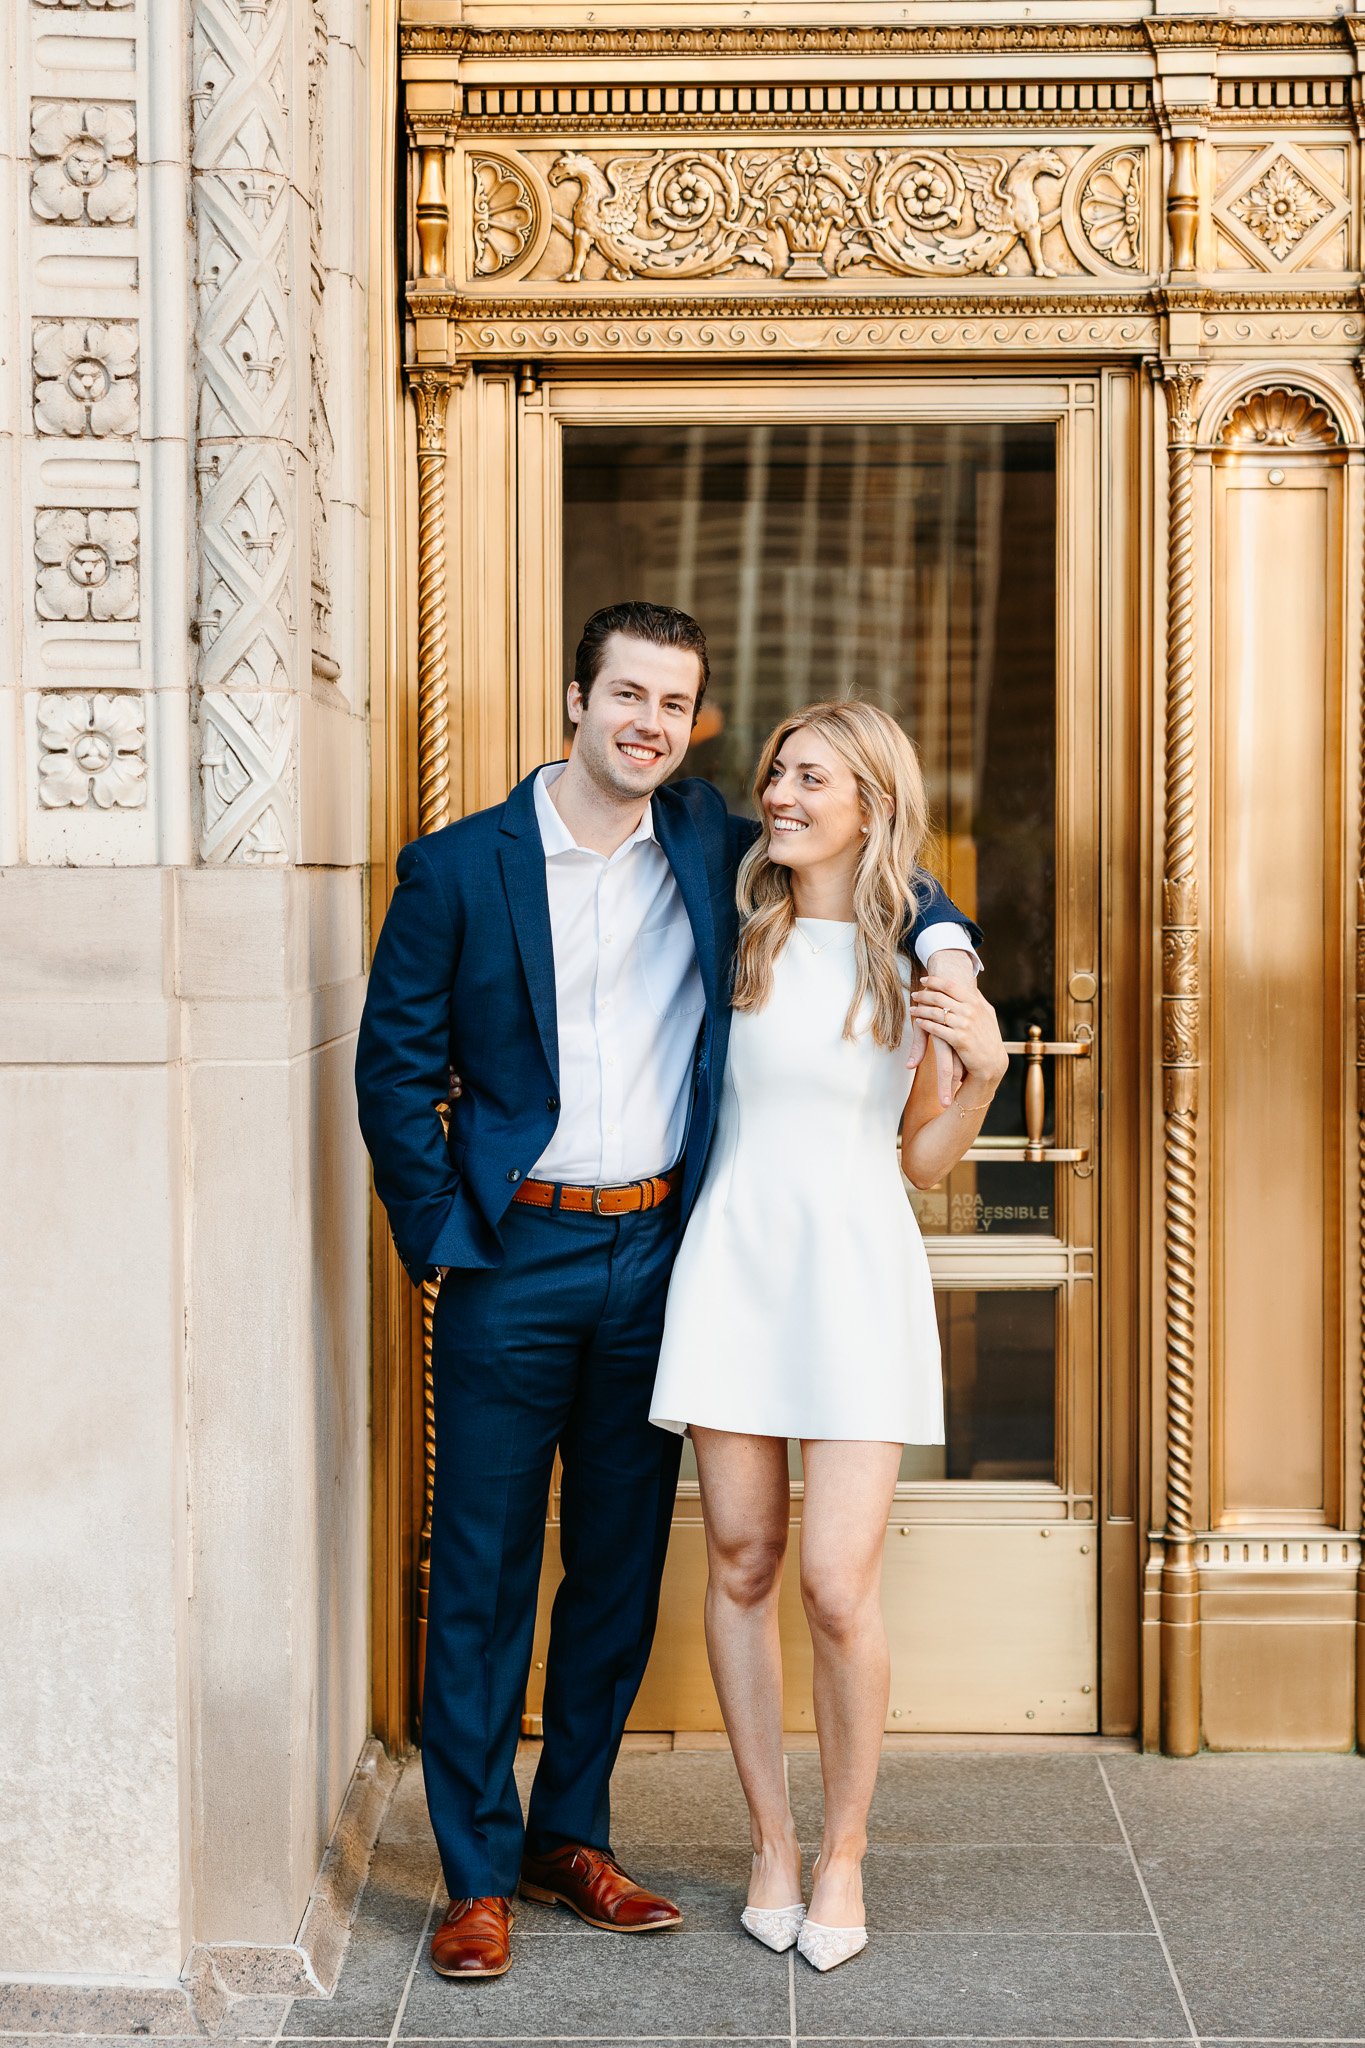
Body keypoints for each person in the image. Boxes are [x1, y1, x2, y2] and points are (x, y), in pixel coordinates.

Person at [354, 604, 980, 1982]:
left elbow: (888, 874)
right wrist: (449, 1235)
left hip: (662, 1254)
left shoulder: (711, 841)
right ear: (577, 697)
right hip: (513, 1256)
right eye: (625, 693)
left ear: (689, 724)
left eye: (674, 703)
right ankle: (473, 1870)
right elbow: (391, 1072)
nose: (648, 721)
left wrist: (950, 959)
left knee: (619, 1571)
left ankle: (569, 1837)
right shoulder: (459, 868)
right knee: (481, 1567)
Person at [649, 699, 1008, 1973]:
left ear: (871, 802)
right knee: (741, 1559)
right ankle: (772, 1843)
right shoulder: (732, 928)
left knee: (835, 1581)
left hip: (855, 1275)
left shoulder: (911, 955)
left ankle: (846, 1847)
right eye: (777, 772)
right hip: (734, 1266)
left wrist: (985, 1075)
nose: (783, 794)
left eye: (814, 777)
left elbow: (921, 1157)